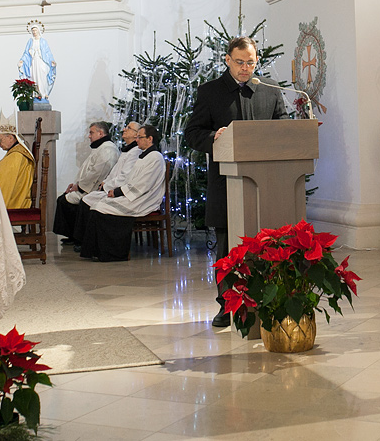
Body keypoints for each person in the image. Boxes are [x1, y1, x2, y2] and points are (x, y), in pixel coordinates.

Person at [184, 36, 288, 327]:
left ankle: (268, 302)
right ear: (227, 60)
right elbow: (192, 132)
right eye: (240, 62)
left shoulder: (269, 90)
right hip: (226, 183)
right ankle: (226, 305)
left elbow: (283, 128)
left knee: (267, 244)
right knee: (227, 248)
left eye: (251, 63)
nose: (245, 68)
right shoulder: (210, 92)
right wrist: (212, 137)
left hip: (267, 186)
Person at [77, 124, 166, 262]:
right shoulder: (144, 156)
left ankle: (112, 253)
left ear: (150, 139)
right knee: (97, 205)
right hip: (133, 195)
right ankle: (97, 250)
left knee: (101, 208)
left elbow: (142, 185)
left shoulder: (155, 158)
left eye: (140, 137)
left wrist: (118, 192)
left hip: (143, 199)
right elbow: (131, 180)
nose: (137, 140)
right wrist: (117, 191)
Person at [74, 121, 143, 248]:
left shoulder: (135, 152)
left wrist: (107, 186)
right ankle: (83, 241)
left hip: (120, 192)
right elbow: (114, 172)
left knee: (94, 204)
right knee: (86, 200)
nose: (124, 129)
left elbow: (125, 176)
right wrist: (105, 183)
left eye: (129, 128)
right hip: (111, 187)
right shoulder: (127, 150)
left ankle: (91, 243)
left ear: (136, 135)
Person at [52, 121, 120, 246]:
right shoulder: (101, 148)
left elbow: (97, 173)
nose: (89, 136)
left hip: (95, 189)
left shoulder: (108, 150)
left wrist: (79, 186)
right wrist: (75, 184)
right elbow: (88, 170)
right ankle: (73, 235)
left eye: (91, 133)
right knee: (63, 199)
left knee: (65, 201)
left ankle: (78, 238)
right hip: (87, 186)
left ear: (100, 133)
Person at [0, 110, 35, 209]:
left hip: (16, 202)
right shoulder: (16, 152)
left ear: (10, 138)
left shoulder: (16, 155)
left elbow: (2, 179)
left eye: (0, 139)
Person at [18, 20, 56, 100]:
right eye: (33, 31)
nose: (34, 32)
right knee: (34, 77)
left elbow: (47, 52)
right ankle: (35, 94)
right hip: (33, 62)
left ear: (38, 30)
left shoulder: (43, 41)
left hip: (41, 61)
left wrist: (51, 61)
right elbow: (26, 53)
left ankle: (43, 93)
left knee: (42, 77)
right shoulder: (30, 41)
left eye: (35, 30)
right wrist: (22, 60)